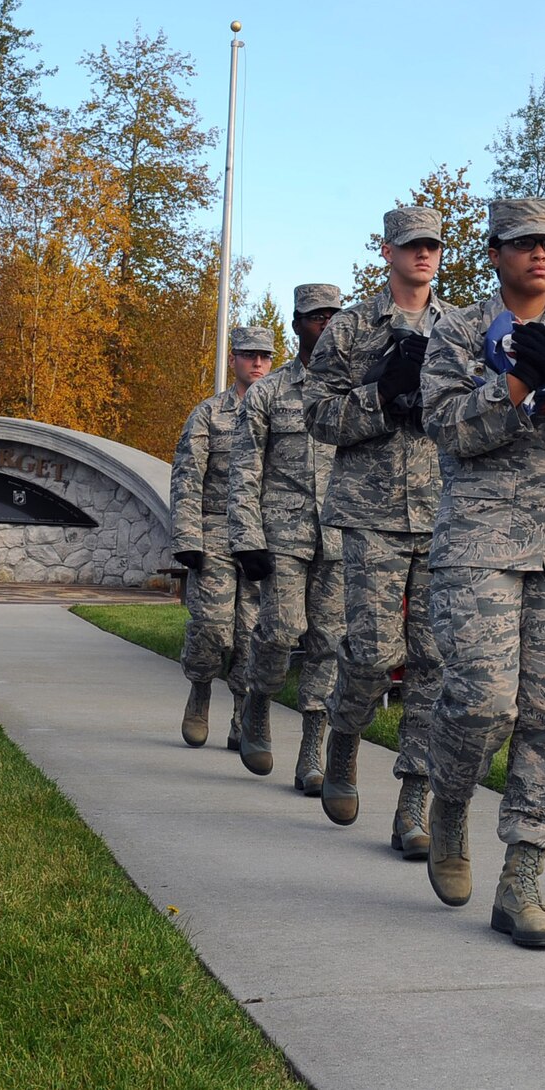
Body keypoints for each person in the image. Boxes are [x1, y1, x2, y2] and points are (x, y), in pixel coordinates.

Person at [420, 196, 545, 949]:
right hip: (480, 539)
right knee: (480, 700)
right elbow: (444, 426)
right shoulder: (458, 331)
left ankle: (523, 879)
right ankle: (448, 800)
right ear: (496, 252)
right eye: (524, 243)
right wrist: (512, 386)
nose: (540, 254)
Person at [303, 206, 453, 857]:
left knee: (433, 663)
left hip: (446, 514)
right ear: (387, 251)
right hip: (370, 512)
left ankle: (413, 802)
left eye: (433, 246)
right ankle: (343, 735)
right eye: (412, 245)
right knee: (369, 651)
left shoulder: (461, 328)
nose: (423, 255)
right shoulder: (350, 328)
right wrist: (379, 393)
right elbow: (316, 414)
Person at [229, 286, 346, 793]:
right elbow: (243, 470)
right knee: (280, 630)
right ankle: (258, 701)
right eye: (315, 318)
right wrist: (246, 536)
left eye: (333, 318)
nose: (325, 325)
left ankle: (312, 750)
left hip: (341, 535)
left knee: (330, 644)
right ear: (297, 326)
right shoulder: (269, 393)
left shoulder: (354, 392)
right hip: (282, 535)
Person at [170, 326, 274, 748]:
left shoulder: (282, 414)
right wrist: (186, 538)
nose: (257, 363)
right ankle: (199, 690)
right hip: (215, 529)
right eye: (249, 355)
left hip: (261, 538)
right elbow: (186, 477)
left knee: (252, 631)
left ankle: (241, 716)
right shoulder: (209, 414)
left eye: (265, 356)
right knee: (211, 625)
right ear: (233, 359)